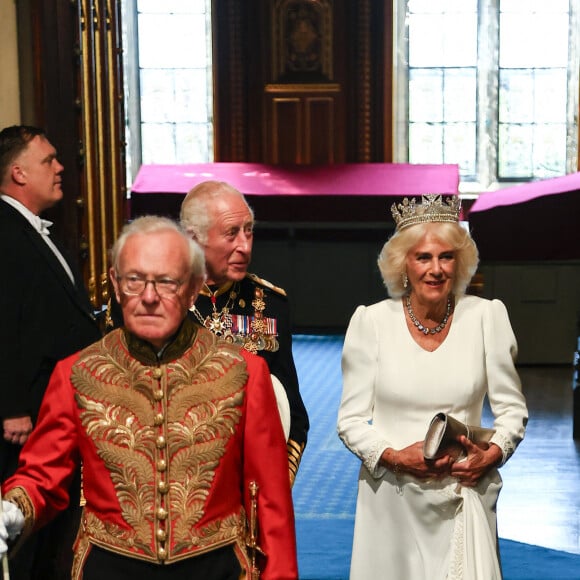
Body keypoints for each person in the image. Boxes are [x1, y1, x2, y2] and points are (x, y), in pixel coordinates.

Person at [0, 216, 298, 580]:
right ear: (115, 283)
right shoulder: (76, 372)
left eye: (166, 282)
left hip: (216, 568)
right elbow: (43, 473)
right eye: (135, 280)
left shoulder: (243, 372)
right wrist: (14, 506)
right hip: (108, 569)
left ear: (193, 289)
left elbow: (270, 500)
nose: (149, 297)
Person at [337, 194, 528, 579]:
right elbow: (351, 421)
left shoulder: (487, 317)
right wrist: (392, 456)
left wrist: (493, 453)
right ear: (403, 265)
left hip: (464, 493)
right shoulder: (371, 323)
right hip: (392, 497)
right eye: (423, 257)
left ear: (460, 264)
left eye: (446, 257)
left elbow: (512, 410)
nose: (436, 269)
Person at [109, 180, 309, 484]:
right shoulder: (149, 302)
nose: (245, 245)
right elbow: (118, 400)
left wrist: (273, 484)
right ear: (193, 238)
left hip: (245, 482)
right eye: (231, 233)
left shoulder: (269, 304)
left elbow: (292, 412)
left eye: (249, 230)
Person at [0, 125, 102, 579]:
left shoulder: (36, 228)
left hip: (54, 405)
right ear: (18, 173)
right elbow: (4, 323)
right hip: (25, 418)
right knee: (23, 531)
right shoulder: (3, 232)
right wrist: (12, 406)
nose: (60, 168)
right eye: (49, 161)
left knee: (49, 535)